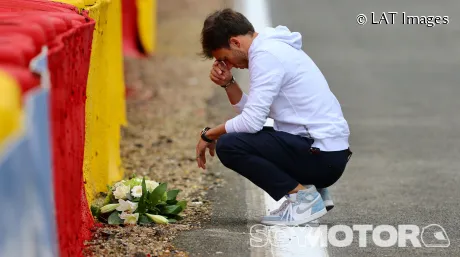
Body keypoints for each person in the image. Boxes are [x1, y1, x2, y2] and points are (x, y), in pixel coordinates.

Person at [195, 8, 352, 226]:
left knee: (229, 145)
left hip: (321, 156)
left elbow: (251, 122)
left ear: (235, 42)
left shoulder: (266, 55)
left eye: (225, 58)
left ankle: (303, 199)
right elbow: (253, 113)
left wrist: (209, 135)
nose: (227, 65)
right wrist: (228, 83)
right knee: (241, 136)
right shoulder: (270, 47)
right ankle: (314, 191)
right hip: (326, 153)